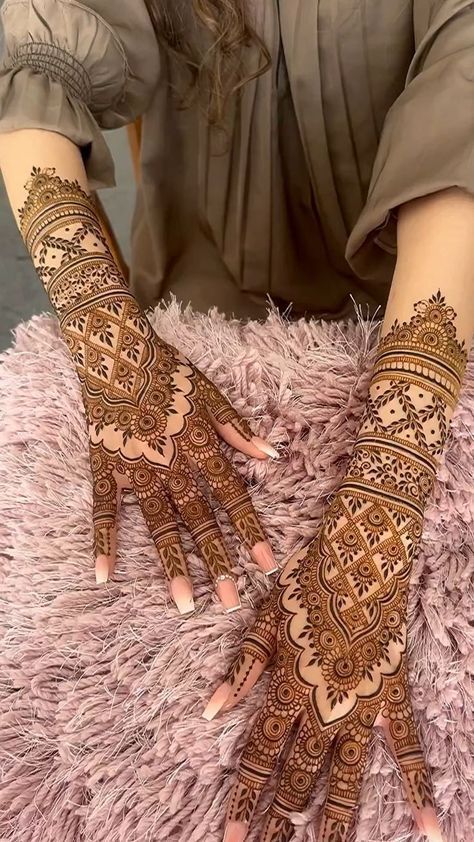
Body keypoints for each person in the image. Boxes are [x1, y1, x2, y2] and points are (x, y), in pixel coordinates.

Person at [0, 2, 473, 841]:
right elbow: (36, 54)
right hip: (193, 312)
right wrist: (107, 333)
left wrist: (379, 513)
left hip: (434, 310)